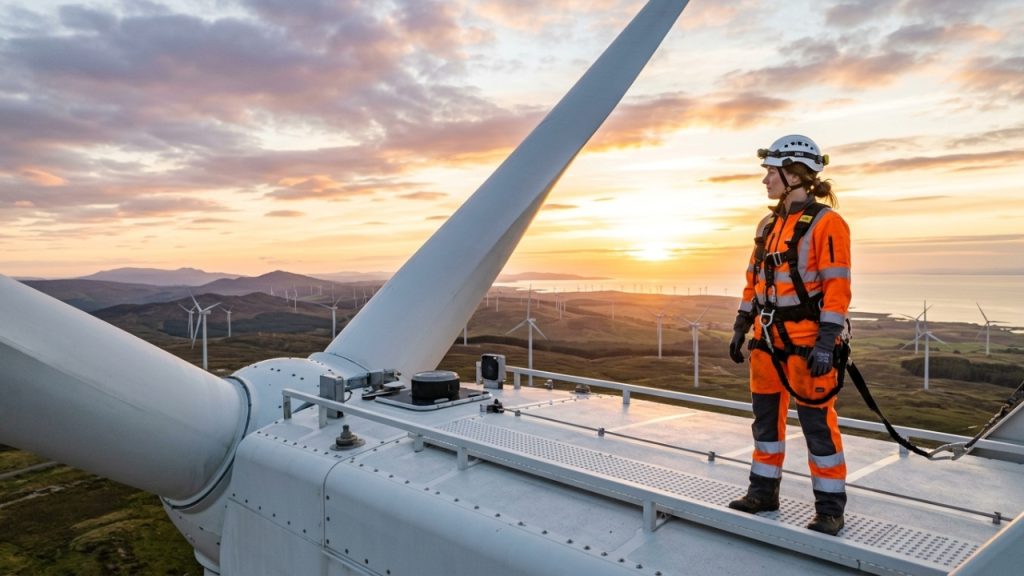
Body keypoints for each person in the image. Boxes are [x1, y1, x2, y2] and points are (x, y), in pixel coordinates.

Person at [727, 134, 851, 536]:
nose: (765, 181)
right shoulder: (767, 224)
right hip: (765, 341)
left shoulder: (827, 223)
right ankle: (763, 492)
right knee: (765, 423)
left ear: (795, 174)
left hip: (807, 342)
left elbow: (837, 287)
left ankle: (830, 508)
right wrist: (740, 324)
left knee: (817, 425)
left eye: (770, 172)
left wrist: (826, 341)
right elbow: (754, 279)